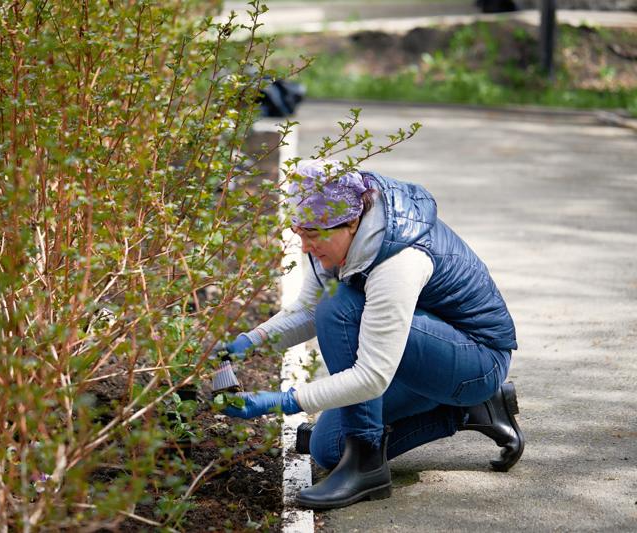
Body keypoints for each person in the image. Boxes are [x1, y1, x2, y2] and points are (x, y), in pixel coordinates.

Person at [222, 159, 524, 510]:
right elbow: (307, 310)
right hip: (421, 354)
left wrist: (281, 401)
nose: (304, 247)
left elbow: (371, 375)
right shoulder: (334, 235)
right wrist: (248, 343)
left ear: (352, 222)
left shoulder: (399, 259)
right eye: (299, 233)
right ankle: (470, 410)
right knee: (328, 450)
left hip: (476, 360)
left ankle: (367, 466)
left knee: (339, 308)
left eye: (313, 235)